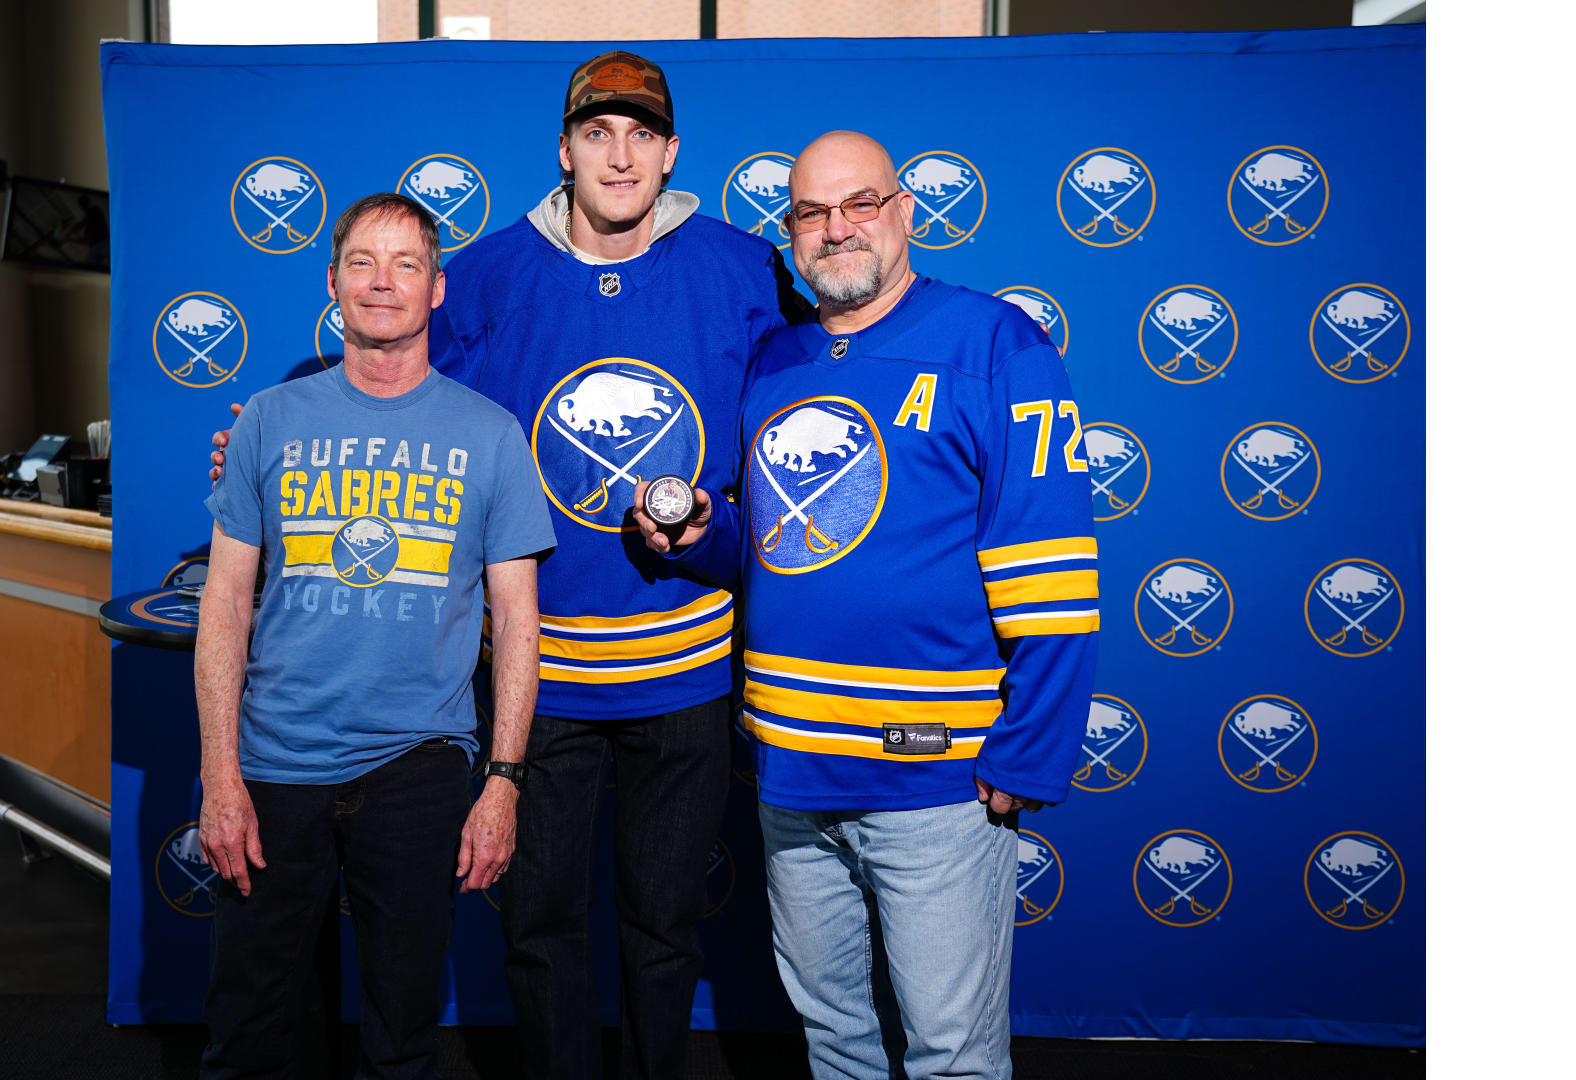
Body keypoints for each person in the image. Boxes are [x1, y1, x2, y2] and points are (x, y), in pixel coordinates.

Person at [213, 51, 808, 1080]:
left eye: (640, 136)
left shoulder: (744, 267)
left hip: (688, 675)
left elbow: (817, 402)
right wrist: (278, 424)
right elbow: (389, 370)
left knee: (665, 930)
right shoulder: (489, 271)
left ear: (671, 153)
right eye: (596, 134)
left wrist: (721, 528)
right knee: (539, 929)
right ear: (564, 149)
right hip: (544, 684)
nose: (618, 157)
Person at [631, 130, 1099, 1080]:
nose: (836, 228)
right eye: (811, 212)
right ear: (791, 232)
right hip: (791, 776)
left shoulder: (992, 342)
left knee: (952, 1056)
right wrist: (703, 538)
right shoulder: (776, 360)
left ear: (905, 212)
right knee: (835, 1044)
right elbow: (777, 545)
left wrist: (1032, 747)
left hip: (934, 779)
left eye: (860, 204)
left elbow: (1051, 569)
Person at [195, 193, 556, 1080]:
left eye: (405, 264)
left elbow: (519, 624)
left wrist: (503, 782)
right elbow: (225, 603)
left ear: (437, 288)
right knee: (249, 1035)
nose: (382, 282)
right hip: (274, 765)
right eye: (362, 262)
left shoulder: (491, 436)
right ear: (333, 282)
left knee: (402, 1040)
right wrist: (220, 776)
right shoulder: (268, 421)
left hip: (417, 768)